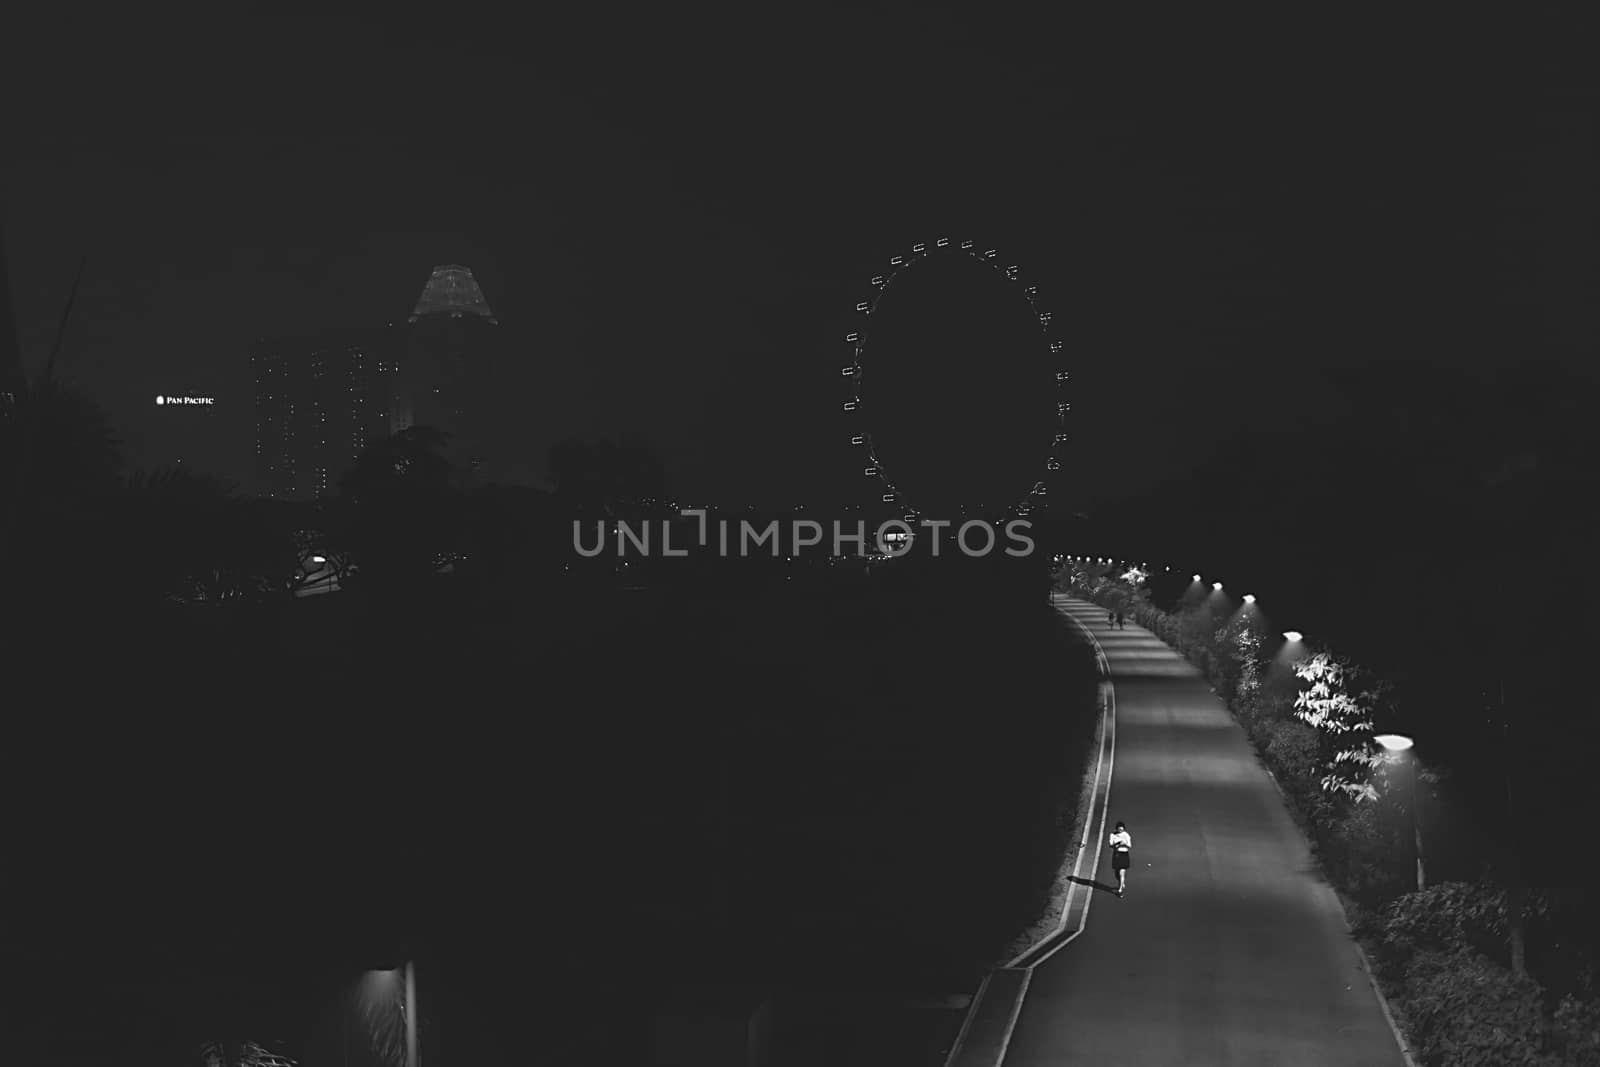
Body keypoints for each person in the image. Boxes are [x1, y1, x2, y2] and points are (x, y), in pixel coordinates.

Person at [1108, 821, 1132, 895]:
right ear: (1116, 829)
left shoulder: (1126, 835)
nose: (1121, 831)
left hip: (1124, 854)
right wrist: (1117, 844)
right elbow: (1110, 845)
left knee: (1122, 872)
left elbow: (1129, 846)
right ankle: (1121, 882)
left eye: (1122, 830)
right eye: (1119, 830)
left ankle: (1120, 889)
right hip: (1116, 854)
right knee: (1116, 873)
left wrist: (1124, 843)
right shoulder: (1112, 835)